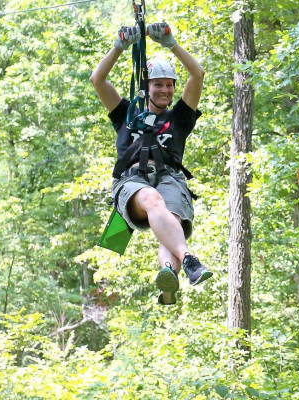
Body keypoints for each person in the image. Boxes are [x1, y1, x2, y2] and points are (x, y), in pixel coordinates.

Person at [89, 22, 213, 305]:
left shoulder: (179, 118)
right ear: (146, 87)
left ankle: (168, 279)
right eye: (158, 85)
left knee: (174, 226)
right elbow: (97, 79)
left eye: (169, 85)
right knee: (152, 199)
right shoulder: (125, 114)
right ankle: (191, 261)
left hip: (170, 179)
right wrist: (118, 47)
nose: (165, 91)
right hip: (133, 182)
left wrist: (172, 44)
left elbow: (198, 74)